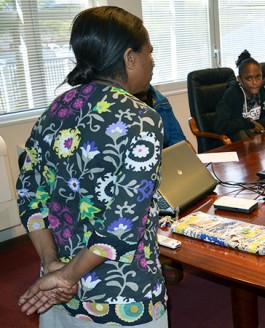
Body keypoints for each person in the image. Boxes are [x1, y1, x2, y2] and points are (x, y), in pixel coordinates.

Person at [15, 6, 168, 326]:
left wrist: (53, 265)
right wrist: (68, 275)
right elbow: (124, 222)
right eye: (149, 53)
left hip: (58, 290)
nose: (153, 62)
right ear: (129, 57)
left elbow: (29, 190)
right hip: (122, 293)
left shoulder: (55, 110)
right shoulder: (142, 119)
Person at [215, 50, 265, 141]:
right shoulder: (232, 94)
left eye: (258, 77)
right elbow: (220, 125)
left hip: (259, 139)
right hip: (237, 143)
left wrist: (258, 123)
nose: (255, 82)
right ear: (239, 79)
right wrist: (249, 123)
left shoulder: (263, 90)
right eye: (249, 78)